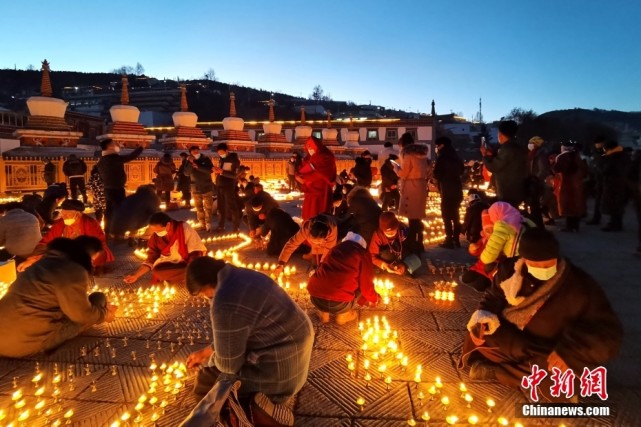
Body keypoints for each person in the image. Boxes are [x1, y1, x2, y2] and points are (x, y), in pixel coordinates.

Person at [461, 228, 623, 402]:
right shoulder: (510, 269)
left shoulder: (579, 285)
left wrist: (569, 351)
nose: (542, 269)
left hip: (549, 349)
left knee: (561, 384)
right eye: (535, 264)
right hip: (512, 339)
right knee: (478, 337)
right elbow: (493, 297)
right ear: (523, 258)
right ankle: (516, 370)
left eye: (548, 264)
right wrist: (483, 316)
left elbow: (609, 332)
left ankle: (497, 372)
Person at [185, 257, 313, 426]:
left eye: (202, 294)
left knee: (206, 382)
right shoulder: (243, 275)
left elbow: (229, 365)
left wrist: (211, 362)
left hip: (280, 371)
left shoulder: (224, 301)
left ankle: (251, 413)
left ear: (204, 287)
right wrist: (205, 352)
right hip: (297, 355)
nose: (205, 298)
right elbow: (237, 333)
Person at [0, 237, 117, 358]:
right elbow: (82, 315)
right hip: (23, 343)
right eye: (92, 260)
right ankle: (49, 345)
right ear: (86, 256)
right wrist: (104, 314)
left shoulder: (43, 262)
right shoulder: (75, 270)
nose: (92, 264)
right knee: (98, 299)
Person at [18, 199, 114, 272]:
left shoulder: (90, 223)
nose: (64, 217)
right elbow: (46, 241)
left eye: (68, 215)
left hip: (86, 253)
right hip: (65, 254)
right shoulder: (60, 223)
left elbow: (97, 244)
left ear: (78, 214)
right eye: (63, 214)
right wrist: (33, 259)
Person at [308, 232, 380, 324]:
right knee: (359, 281)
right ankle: (343, 316)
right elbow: (366, 284)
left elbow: (322, 268)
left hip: (316, 298)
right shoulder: (363, 253)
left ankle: (324, 314)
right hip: (341, 304)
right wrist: (374, 299)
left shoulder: (334, 249)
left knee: (326, 280)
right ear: (362, 245)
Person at [124, 212, 206, 285]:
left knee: (197, 268)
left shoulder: (184, 228)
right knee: (157, 271)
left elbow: (196, 250)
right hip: (170, 264)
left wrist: (191, 268)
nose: (157, 233)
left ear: (168, 225)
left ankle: (192, 274)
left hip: (187, 262)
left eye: (159, 231)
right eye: (154, 231)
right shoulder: (155, 236)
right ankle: (187, 276)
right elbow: (152, 258)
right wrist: (135, 275)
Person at [96, 138, 143, 236]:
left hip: (107, 188)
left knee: (109, 211)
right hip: (116, 188)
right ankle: (119, 232)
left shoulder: (102, 160)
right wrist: (141, 147)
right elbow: (130, 157)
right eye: (114, 143)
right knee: (120, 210)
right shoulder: (112, 158)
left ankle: (108, 231)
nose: (117, 145)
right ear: (109, 146)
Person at [394, 132, 430, 255]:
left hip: (411, 186)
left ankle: (411, 243)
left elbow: (403, 173)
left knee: (412, 217)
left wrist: (396, 168)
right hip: (421, 186)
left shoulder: (408, 155)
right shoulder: (423, 155)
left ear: (402, 145)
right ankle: (419, 242)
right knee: (417, 217)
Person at [481, 120, 528, 208]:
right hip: (518, 187)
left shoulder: (507, 149)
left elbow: (495, 166)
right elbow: (505, 162)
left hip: (508, 189)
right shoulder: (518, 147)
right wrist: (492, 155)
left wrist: (485, 156)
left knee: (507, 216)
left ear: (501, 134)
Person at [433, 136, 464, 248]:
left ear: (442, 145)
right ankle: (456, 239)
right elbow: (462, 170)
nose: (436, 148)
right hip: (457, 188)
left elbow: (436, 173)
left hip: (446, 189)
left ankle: (448, 240)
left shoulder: (442, 157)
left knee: (446, 216)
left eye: (437, 146)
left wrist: (438, 179)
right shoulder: (456, 156)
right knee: (455, 215)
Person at [297, 137, 337, 220]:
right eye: (308, 148)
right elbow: (302, 169)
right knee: (309, 212)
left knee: (318, 211)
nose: (310, 150)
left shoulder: (326, 156)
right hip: (310, 189)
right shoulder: (308, 157)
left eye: (312, 148)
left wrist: (305, 179)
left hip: (321, 189)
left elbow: (324, 173)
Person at [552, 141, 587, 232]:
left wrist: (552, 163)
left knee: (567, 204)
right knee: (576, 204)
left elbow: (556, 169)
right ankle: (575, 226)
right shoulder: (578, 156)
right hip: (577, 184)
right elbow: (584, 169)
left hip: (565, 184)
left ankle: (569, 226)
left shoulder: (562, 157)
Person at [600, 140, 631, 232]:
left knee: (613, 204)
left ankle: (614, 224)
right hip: (623, 183)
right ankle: (617, 223)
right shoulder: (624, 155)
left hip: (613, 183)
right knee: (619, 204)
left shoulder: (613, 157)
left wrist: (600, 167)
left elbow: (606, 170)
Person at [184, 145, 215, 232]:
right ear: (190, 153)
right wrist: (190, 163)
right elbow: (186, 173)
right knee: (199, 207)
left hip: (206, 186)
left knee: (208, 207)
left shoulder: (205, 159)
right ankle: (202, 223)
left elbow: (210, 170)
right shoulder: (188, 161)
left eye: (196, 151)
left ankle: (208, 224)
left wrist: (198, 166)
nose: (195, 153)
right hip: (195, 187)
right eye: (193, 152)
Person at [526, 136, 553, 227]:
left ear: (536, 144)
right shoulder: (534, 153)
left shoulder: (540, 155)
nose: (529, 145)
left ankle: (538, 224)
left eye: (531, 143)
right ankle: (542, 221)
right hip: (536, 181)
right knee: (537, 204)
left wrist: (535, 179)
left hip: (538, 182)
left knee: (537, 204)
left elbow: (543, 170)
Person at [213, 143, 241, 233]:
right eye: (219, 153)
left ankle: (236, 227)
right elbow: (222, 172)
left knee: (232, 207)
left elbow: (234, 175)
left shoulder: (234, 160)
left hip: (228, 186)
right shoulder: (221, 159)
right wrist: (217, 172)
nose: (221, 154)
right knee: (220, 207)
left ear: (227, 151)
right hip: (220, 186)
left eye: (222, 152)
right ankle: (221, 226)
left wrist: (222, 172)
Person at [586, 136, 607, 225]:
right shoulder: (597, 153)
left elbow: (601, 167)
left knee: (601, 200)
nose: (597, 145)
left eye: (598, 143)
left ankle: (597, 218)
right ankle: (596, 217)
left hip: (603, 180)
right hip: (597, 179)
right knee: (598, 200)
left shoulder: (604, 153)